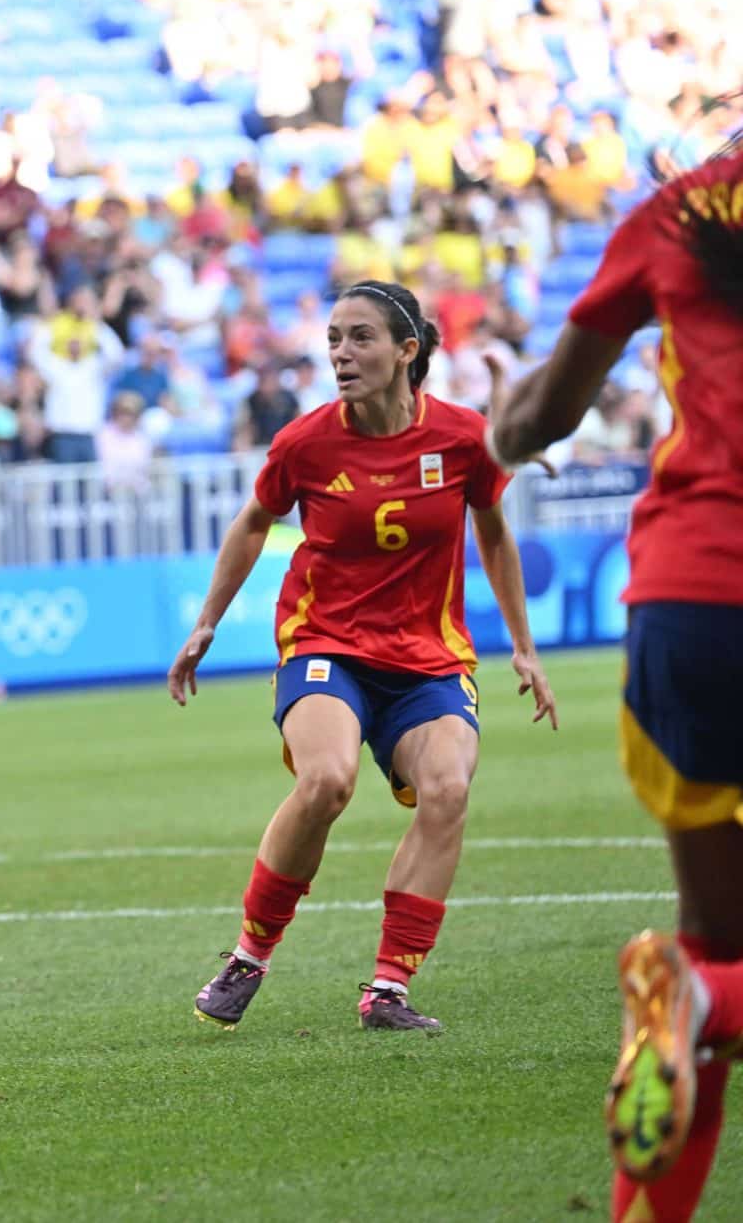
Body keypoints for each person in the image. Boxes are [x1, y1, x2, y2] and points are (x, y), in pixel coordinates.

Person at [166, 281, 557, 1035]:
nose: (341, 354)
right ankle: (249, 955)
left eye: (360, 338)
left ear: (408, 351)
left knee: (447, 787)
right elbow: (254, 522)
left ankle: (388, 988)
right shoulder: (306, 442)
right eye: (334, 339)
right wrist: (206, 622)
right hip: (326, 643)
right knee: (327, 777)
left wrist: (525, 646)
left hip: (428, 657)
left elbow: (495, 532)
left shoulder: (462, 437)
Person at [485, 139, 743, 1223]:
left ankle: (688, 1002)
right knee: (713, 974)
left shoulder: (682, 208)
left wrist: (500, 424)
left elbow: (543, 416)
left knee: (713, 940)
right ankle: (696, 999)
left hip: (689, 599)